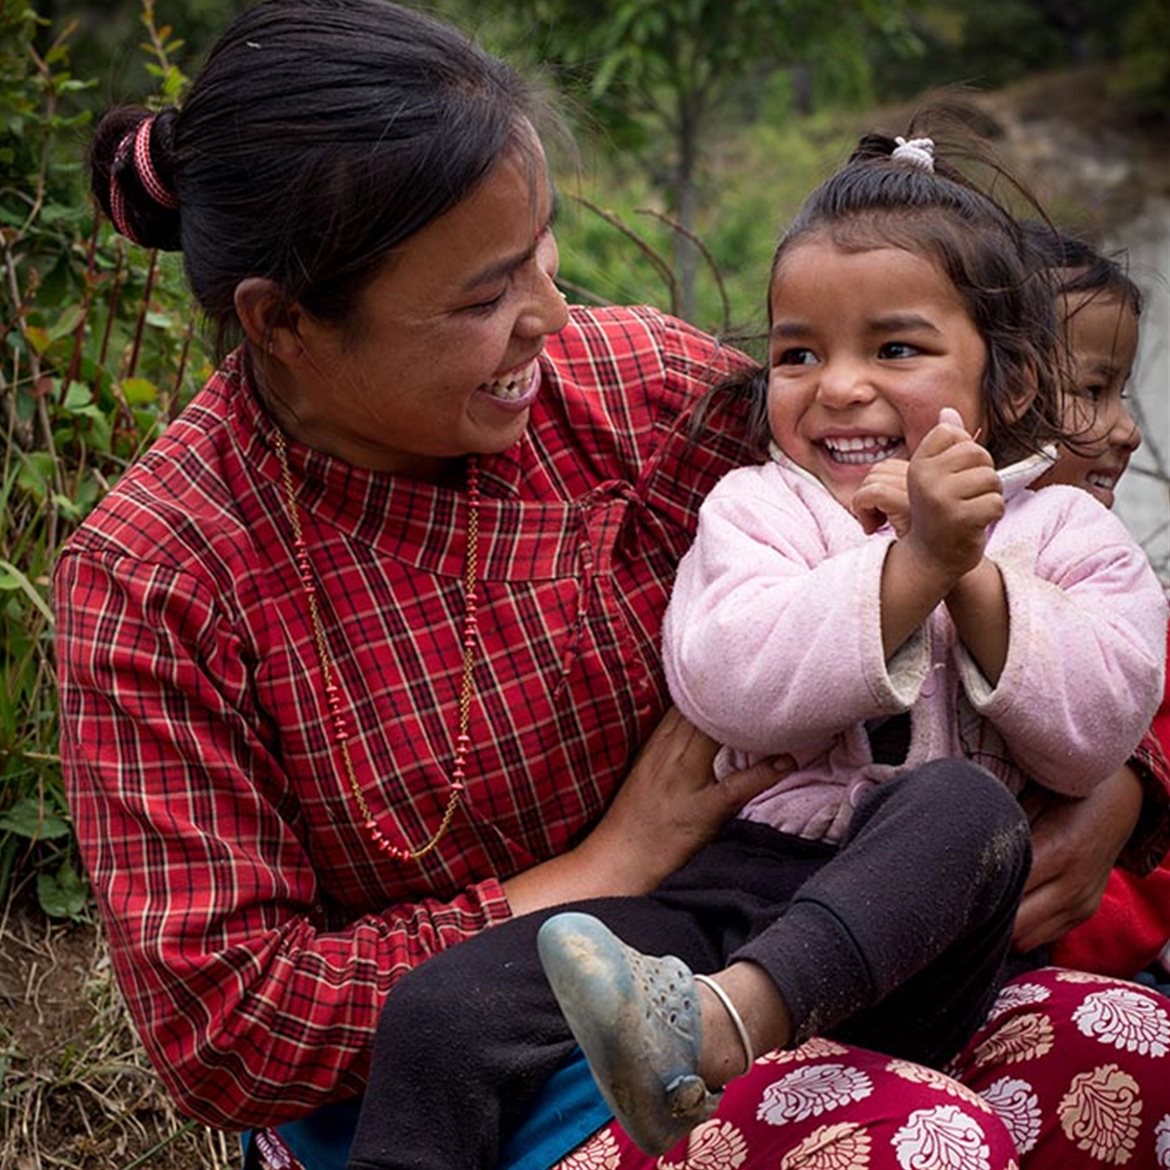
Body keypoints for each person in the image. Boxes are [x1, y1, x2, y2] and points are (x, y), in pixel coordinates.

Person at [56, 3, 1170, 1168]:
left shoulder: (633, 391)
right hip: (464, 1072)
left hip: (805, 958)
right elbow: (228, 1027)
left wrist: (1123, 788)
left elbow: (1023, 538)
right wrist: (599, 871)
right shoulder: (160, 577)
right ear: (283, 323)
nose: (549, 313)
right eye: (483, 298)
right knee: (906, 1146)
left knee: (1132, 1053)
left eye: (541, 250)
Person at [346, 132, 1167, 1169]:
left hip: (923, 944)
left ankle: (727, 1025)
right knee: (441, 1006)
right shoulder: (758, 508)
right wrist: (904, 569)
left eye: (896, 350)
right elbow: (730, 682)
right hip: (725, 897)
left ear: (1006, 383)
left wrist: (969, 571)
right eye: (798, 354)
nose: (838, 387)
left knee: (964, 805)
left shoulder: (1062, 534)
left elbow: (1098, 731)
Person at [1018, 225, 1170, 987]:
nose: (1129, 430)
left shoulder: (1118, 589)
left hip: (1111, 972)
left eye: (1122, 392)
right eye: (1091, 390)